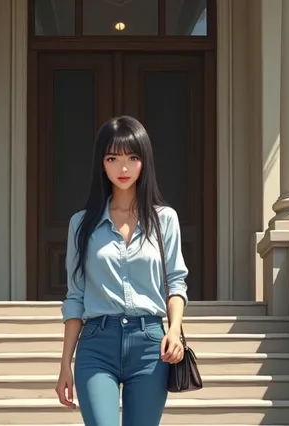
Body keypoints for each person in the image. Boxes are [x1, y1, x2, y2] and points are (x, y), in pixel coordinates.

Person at [55, 116, 189, 426]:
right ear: (101, 164)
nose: (123, 168)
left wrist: (174, 330)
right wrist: (65, 364)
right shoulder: (81, 224)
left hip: (150, 345)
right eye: (112, 158)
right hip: (96, 344)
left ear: (145, 161)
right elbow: (75, 296)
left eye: (132, 157)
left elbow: (176, 283)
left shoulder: (165, 220)